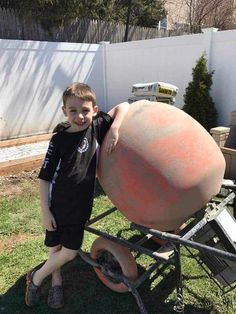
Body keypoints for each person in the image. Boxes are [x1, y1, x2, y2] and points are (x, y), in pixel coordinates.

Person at [25, 82, 129, 309]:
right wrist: (45, 210)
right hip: (56, 204)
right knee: (55, 247)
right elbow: (44, 177)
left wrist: (115, 129)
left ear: (95, 109)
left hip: (80, 206)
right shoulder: (59, 140)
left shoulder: (97, 126)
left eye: (85, 110)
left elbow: (124, 106)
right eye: (73, 111)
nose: (80, 116)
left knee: (70, 252)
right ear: (64, 112)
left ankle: (35, 278)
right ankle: (56, 281)